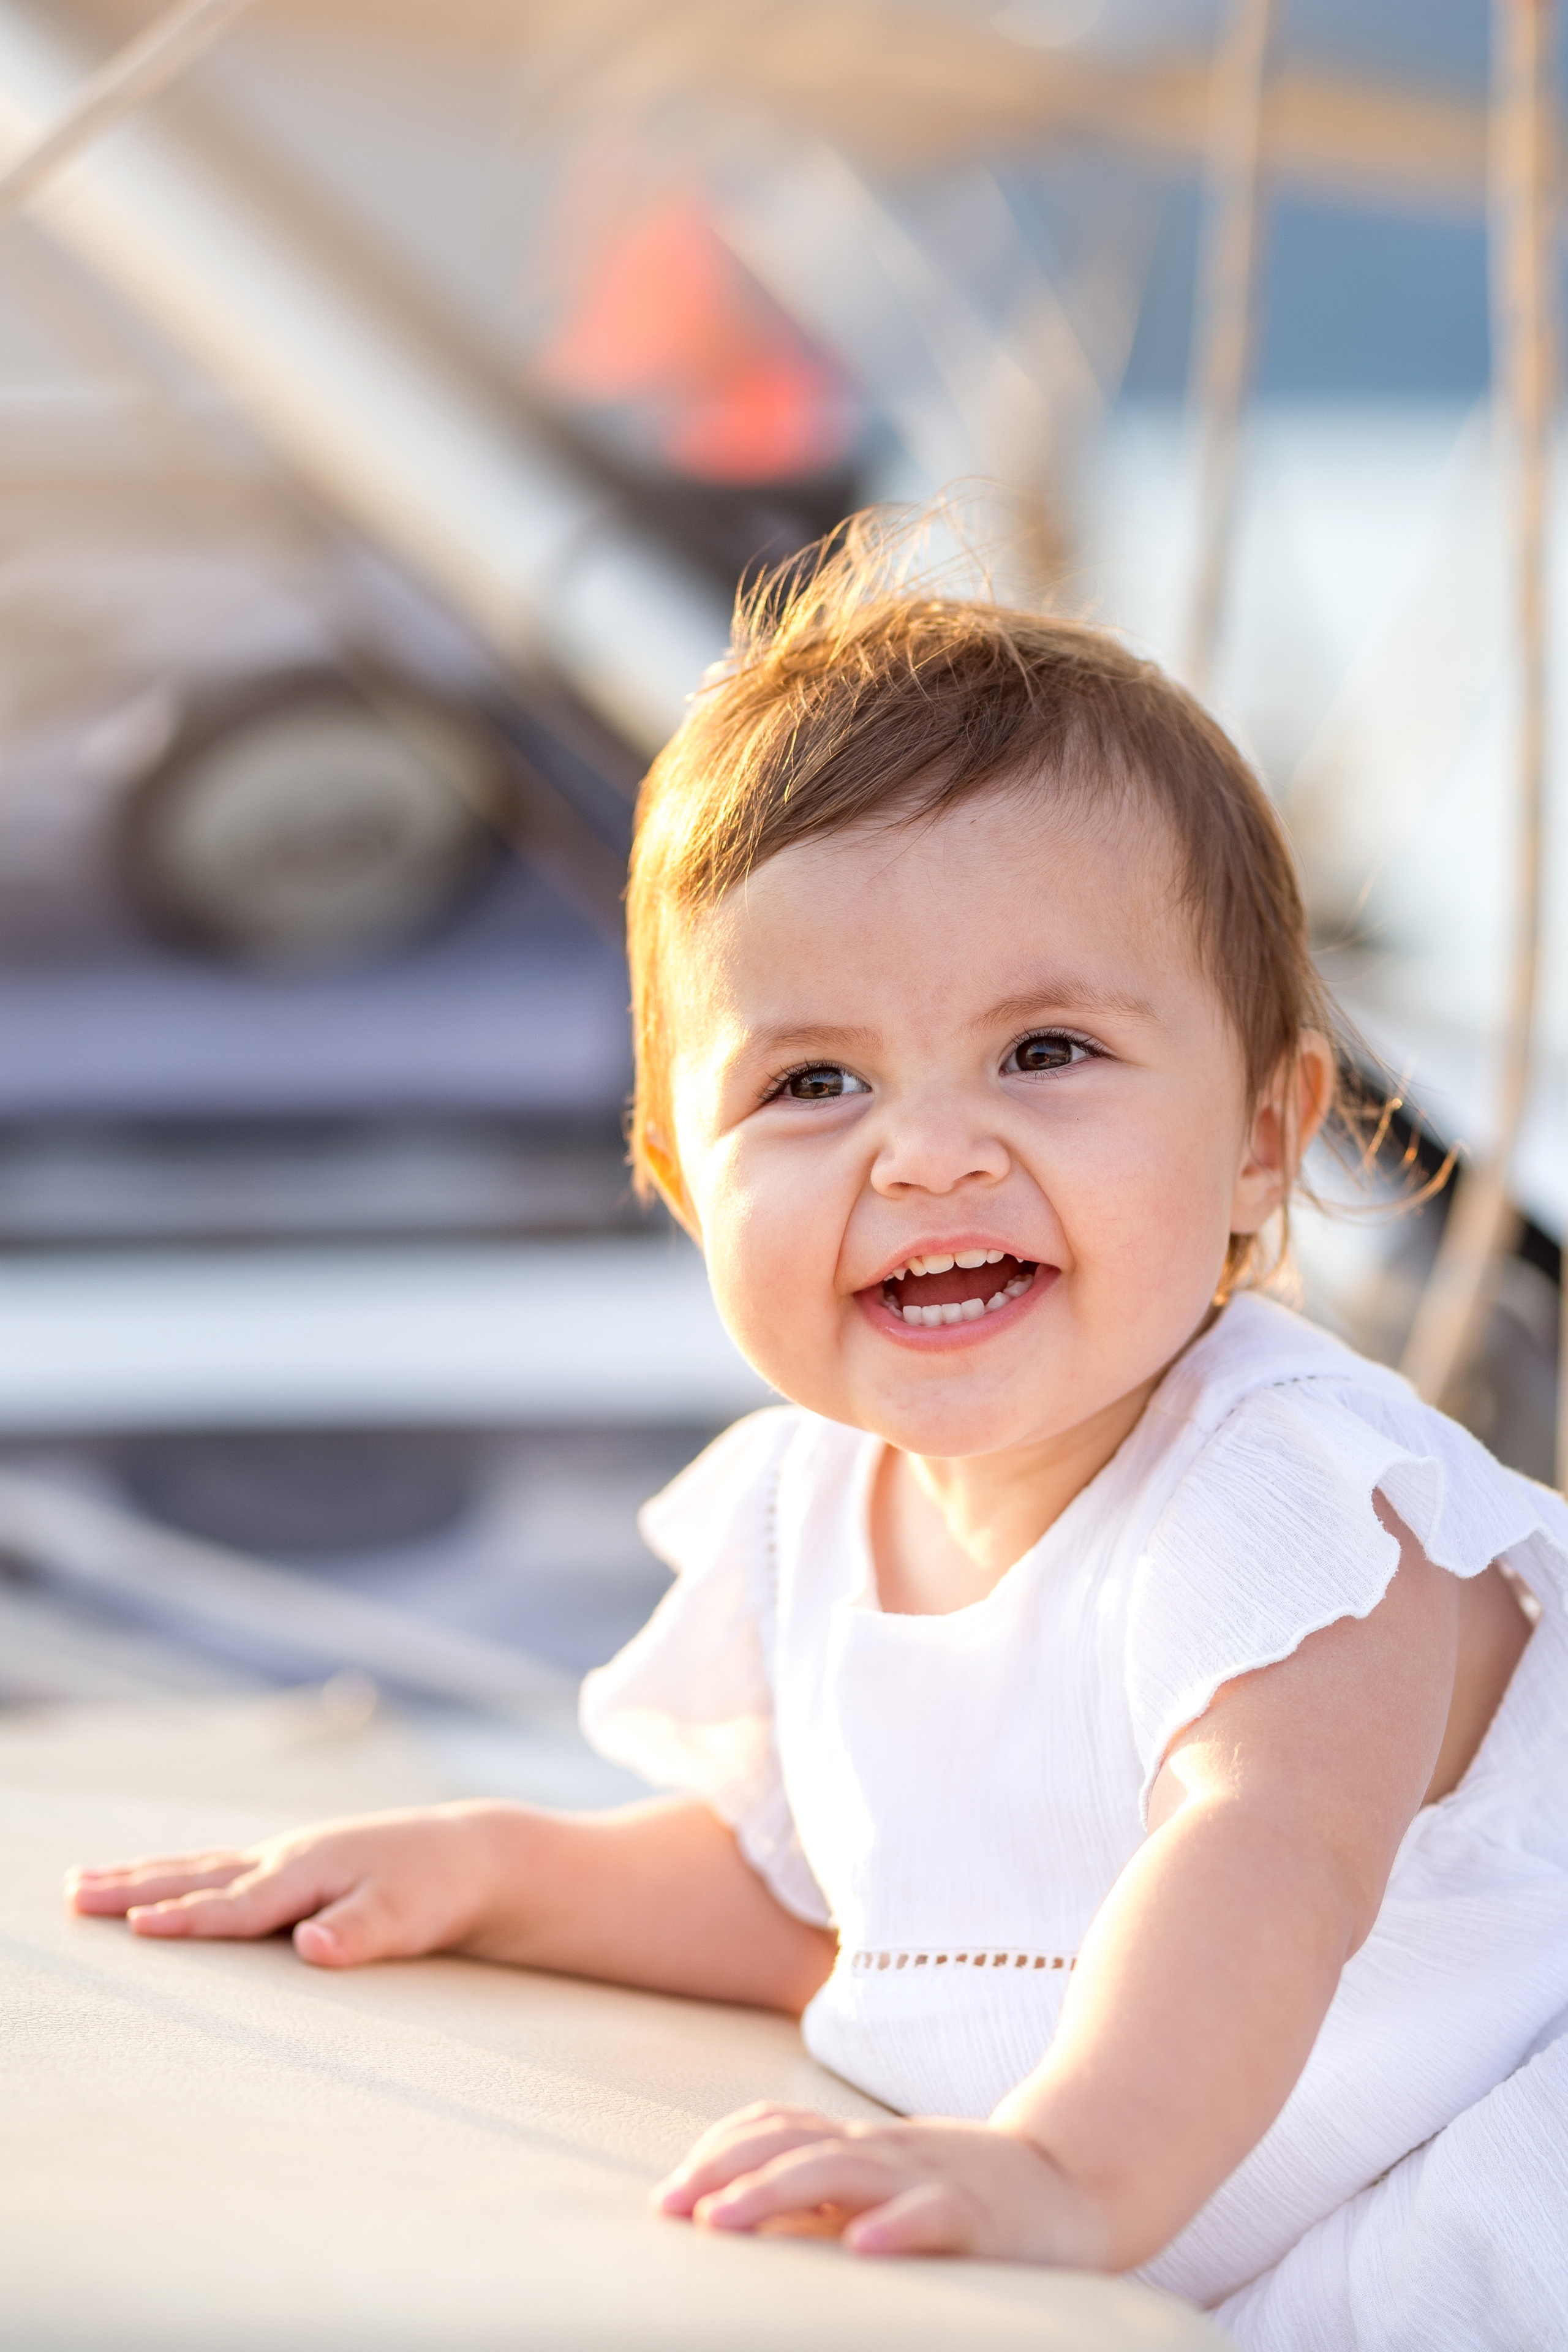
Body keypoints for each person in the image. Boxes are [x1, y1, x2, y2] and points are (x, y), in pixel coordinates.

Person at [66, 521, 1568, 2340]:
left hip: (1484, 2150)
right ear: (683, 1179)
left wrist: (1066, 2170)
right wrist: (493, 1866)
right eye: (815, 1083)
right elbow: (831, 1902)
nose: (929, 1149)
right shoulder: (809, 1514)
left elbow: (1265, 1862)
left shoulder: (1302, 1504)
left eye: (1047, 1053)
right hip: (1230, 2194)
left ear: (1264, 1133)